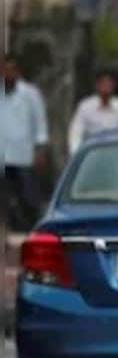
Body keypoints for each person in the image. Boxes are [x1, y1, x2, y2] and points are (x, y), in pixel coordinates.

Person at [1, 53, 49, 230]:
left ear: (18, 71)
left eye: (12, 70)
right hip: (3, 155)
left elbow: (40, 122)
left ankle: (29, 231)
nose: (8, 73)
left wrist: (41, 150)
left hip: (25, 155)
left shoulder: (30, 93)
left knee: (28, 199)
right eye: (5, 70)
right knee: (6, 200)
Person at [68, 69, 118, 154]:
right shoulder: (85, 106)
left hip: (115, 152)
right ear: (97, 85)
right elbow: (76, 132)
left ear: (114, 85)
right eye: (103, 83)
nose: (106, 86)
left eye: (109, 83)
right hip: (91, 152)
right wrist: (76, 153)